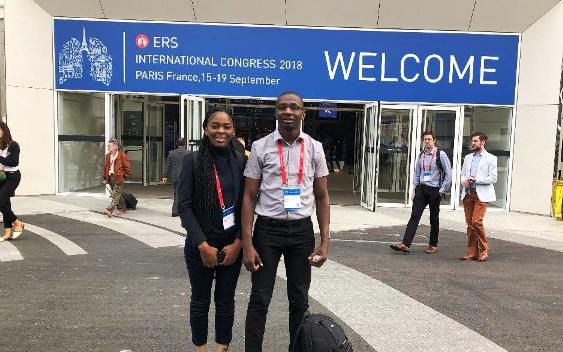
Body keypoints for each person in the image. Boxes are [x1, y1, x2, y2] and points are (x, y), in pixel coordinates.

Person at [242, 91, 330, 352]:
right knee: (259, 298)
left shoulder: (315, 148)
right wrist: (248, 243)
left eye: (294, 107)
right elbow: (248, 197)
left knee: (299, 300)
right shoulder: (260, 147)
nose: (288, 111)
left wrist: (325, 241)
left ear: (303, 113)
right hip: (267, 231)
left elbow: (322, 197)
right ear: (275, 113)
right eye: (282, 107)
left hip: (302, 232)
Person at [177, 108, 246, 352]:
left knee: (226, 301)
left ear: (233, 130)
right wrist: (202, 245)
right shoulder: (192, 161)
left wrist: (238, 243)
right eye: (215, 126)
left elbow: (248, 206)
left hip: (231, 247)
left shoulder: (241, 160)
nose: (221, 131)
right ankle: (201, 349)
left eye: (227, 126)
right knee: (200, 301)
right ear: (206, 129)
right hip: (200, 246)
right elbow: (184, 207)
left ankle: (221, 349)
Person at [390, 130, 452, 254]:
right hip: (421, 190)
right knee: (414, 216)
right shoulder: (421, 155)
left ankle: (433, 244)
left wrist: (442, 190)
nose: (427, 141)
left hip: (435, 190)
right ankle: (405, 243)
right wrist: (414, 189)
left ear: (434, 140)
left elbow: (448, 174)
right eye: (425, 139)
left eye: (429, 139)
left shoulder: (441, 155)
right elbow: (417, 173)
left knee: (433, 218)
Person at [459, 132, 497, 262]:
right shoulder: (468, 157)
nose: (473, 143)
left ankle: (484, 249)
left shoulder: (491, 158)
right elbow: (463, 173)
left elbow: (493, 178)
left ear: (483, 142)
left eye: (475, 141)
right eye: (472, 141)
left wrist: (475, 179)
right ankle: (472, 252)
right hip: (468, 193)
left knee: (476, 222)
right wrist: (463, 180)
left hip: (482, 195)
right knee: (470, 224)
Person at [0, 122, 25, 242]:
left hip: (13, 177)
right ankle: (7, 231)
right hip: (2, 176)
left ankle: (17, 223)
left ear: (4, 131)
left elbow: (14, 162)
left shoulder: (13, 145)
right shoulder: (0, 146)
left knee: (0, 201)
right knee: (5, 203)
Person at [102, 139, 131, 217]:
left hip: (119, 177)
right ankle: (122, 208)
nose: (108, 146)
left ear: (115, 147)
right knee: (117, 194)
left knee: (115, 194)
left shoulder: (122, 155)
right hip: (111, 177)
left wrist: (123, 176)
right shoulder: (108, 155)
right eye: (108, 145)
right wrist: (105, 178)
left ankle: (109, 210)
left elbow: (127, 167)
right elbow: (106, 167)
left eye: (110, 145)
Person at [162, 138, 190, 217]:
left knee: (176, 192)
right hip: (184, 176)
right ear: (185, 144)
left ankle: (178, 209)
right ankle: (175, 210)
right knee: (180, 193)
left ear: (177, 144)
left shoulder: (171, 153)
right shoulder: (188, 153)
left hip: (174, 177)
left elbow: (168, 165)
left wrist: (165, 176)